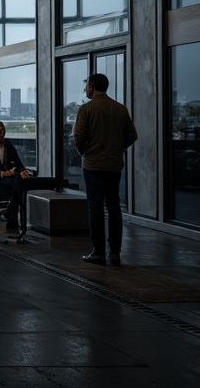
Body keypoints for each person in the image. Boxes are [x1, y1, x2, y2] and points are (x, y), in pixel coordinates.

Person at [72, 72, 138, 265]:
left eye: (87, 86)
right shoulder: (120, 109)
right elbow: (132, 136)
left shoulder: (87, 109)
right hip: (114, 164)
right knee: (114, 206)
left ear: (92, 87)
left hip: (93, 165)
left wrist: (86, 152)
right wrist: (116, 148)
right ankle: (115, 252)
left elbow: (78, 136)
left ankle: (98, 252)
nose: (86, 89)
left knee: (95, 208)